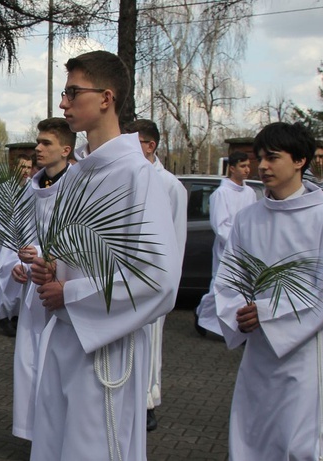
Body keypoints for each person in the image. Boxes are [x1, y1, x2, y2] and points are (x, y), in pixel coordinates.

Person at [28, 50, 181, 461]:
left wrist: (72, 294)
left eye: (73, 92)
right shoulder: (77, 175)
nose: (63, 103)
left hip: (104, 351)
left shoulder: (136, 175)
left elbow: (158, 279)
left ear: (106, 98)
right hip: (64, 340)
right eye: (64, 93)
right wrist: (50, 266)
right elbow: (72, 253)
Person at [214, 122, 323, 461]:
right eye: (260, 157)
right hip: (260, 349)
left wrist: (267, 313)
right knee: (254, 430)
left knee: (300, 438)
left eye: (273, 158)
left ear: (300, 161)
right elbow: (229, 277)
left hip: (307, 349)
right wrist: (240, 313)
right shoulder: (248, 218)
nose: (262, 166)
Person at [10, 117, 75, 441]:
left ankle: (57, 435)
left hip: (62, 290)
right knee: (29, 364)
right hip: (32, 292)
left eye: (46, 143)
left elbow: (84, 242)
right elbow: (18, 236)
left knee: (56, 365)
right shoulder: (33, 188)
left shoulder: (79, 187)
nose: (38, 148)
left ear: (66, 149)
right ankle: (35, 434)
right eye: (38, 141)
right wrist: (16, 264)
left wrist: (49, 257)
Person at [124, 118, 187, 432]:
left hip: (152, 278)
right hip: (125, 279)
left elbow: (176, 239)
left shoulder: (170, 185)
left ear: (150, 145)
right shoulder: (126, 176)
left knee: (150, 342)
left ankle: (148, 400)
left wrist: (167, 284)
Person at [195, 151, 256, 338]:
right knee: (220, 286)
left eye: (248, 166)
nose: (247, 170)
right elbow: (220, 225)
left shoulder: (250, 192)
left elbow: (253, 219)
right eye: (242, 166)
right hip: (227, 248)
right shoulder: (221, 193)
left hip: (245, 249)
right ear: (232, 168)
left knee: (240, 289)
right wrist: (237, 241)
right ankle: (201, 315)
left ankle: (233, 326)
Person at [0, 154, 33, 337]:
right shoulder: (4, 190)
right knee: (5, 278)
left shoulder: (32, 188)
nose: (25, 172)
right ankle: (4, 317)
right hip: (8, 243)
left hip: (26, 243)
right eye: (22, 168)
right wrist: (11, 237)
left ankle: (17, 315)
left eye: (29, 168)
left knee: (22, 278)